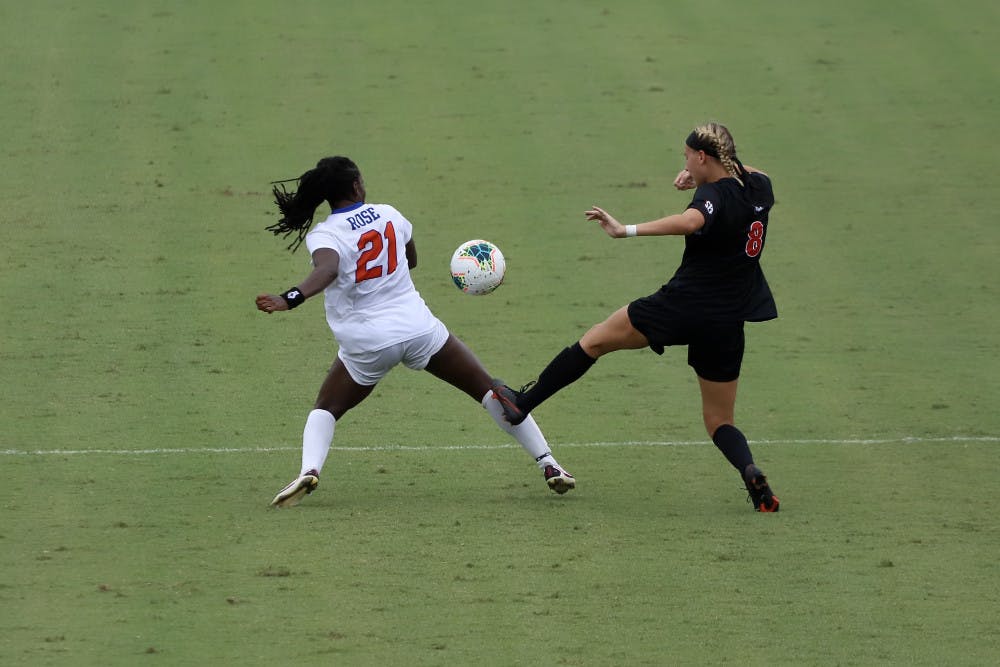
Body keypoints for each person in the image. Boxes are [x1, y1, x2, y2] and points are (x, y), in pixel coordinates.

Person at [492, 122, 780, 512]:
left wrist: (624, 229)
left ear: (702, 156)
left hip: (682, 305)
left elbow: (692, 221)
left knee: (594, 342)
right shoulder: (758, 188)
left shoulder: (711, 197)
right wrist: (700, 174)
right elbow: (750, 172)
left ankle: (522, 404)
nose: (684, 164)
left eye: (687, 158)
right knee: (718, 419)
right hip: (729, 319)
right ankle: (750, 474)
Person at [256, 156, 574, 507]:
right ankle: (549, 463)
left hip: (367, 342)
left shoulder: (325, 234)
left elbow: (329, 270)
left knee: (327, 408)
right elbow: (411, 259)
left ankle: (309, 470)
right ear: (357, 185)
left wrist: (291, 298)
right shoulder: (390, 214)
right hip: (419, 329)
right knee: (490, 391)